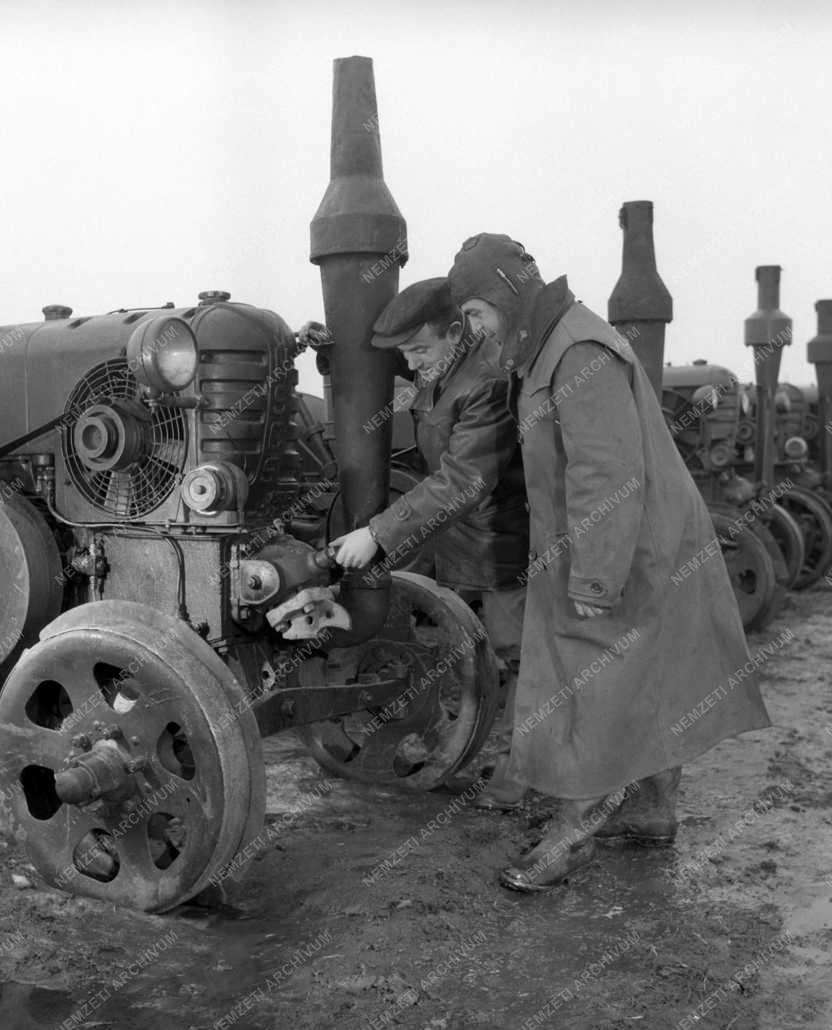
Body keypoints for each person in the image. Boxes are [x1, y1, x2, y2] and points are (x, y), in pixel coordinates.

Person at [447, 233, 771, 893]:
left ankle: (571, 837)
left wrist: (595, 577)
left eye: (477, 313)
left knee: (592, 692)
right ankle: (653, 812)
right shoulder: (555, 343)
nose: (475, 331)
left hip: (620, 547)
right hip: (633, 541)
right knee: (650, 680)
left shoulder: (575, 349)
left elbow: (605, 470)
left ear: (505, 296)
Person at [328, 277, 528, 772]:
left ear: (457, 331)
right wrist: (328, 350)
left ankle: (510, 764)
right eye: (406, 353)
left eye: (418, 350)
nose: (411, 363)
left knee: (513, 653)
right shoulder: (441, 362)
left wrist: (376, 534)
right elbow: (389, 359)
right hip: (456, 531)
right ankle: (446, 733)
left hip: (501, 536)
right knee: (444, 639)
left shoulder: (488, 382)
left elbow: (464, 478)